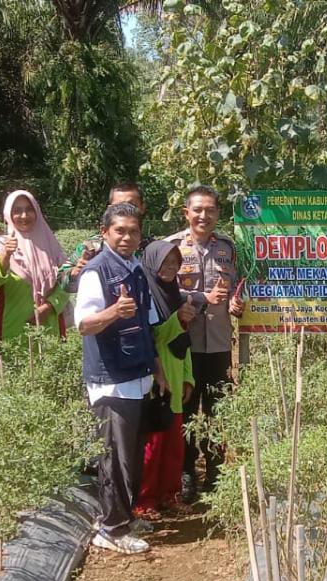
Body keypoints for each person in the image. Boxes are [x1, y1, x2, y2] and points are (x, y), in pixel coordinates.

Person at [76, 202, 168, 554]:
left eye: (133, 231)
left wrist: (157, 370)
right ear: (105, 233)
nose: (127, 237)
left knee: (130, 453)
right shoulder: (97, 272)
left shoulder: (136, 270)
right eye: (120, 231)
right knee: (114, 457)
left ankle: (124, 517)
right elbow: (83, 324)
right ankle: (111, 529)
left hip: (138, 375)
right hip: (111, 380)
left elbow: (147, 325)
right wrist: (114, 311)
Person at [165, 184, 241, 501]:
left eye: (210, 210)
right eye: (197, 209)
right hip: (184, 345)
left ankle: (214, 470)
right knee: (183, 409)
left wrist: (238, 301)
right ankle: (185, 473)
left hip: (220, 342)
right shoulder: (171, 248)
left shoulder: (228, 248)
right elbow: (161, 292)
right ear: (186, 213)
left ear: (218, 213)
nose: (203, 215)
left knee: (216, 410)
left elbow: (239, 284)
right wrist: (190, 300)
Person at [135, 239, 198, 518]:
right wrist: (178, 320)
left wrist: (188, 378)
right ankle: (145, 501)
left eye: (175, 263)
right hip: (155, 379)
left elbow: (183, 341)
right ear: (151, 262)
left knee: (174, 445)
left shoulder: (174, 293)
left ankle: (169, 496)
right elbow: (153, 337)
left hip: (175, 378)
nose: (170, 268)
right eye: (165, 262)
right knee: (153, 446)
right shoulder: (145, 294)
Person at [0, 190, 70, 344]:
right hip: (14, 328)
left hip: (49, 327)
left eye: (29, 209)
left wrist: (49, 306)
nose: (24, 216)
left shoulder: (50, 245)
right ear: (8, 215)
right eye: (17, 211)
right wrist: (5, 256)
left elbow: (66, 281)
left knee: (51, 364)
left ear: (36, 211)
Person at [65, 183, 147, 288]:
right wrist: (74, 273)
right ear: (109, 208)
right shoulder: (92, 247)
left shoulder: (154, 249)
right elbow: (61, 279)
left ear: (142, 208)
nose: (126, 210)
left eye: (132, 205)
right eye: (119, 206)